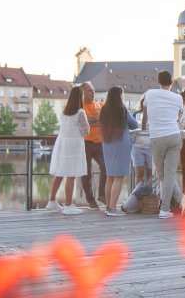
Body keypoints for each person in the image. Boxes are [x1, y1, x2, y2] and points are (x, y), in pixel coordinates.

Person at [142, 70, 185, 219]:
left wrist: (143, 128)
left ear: (158, 81)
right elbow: (180, 116)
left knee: (163, 174)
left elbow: (145, 113)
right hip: (174, 136)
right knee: (168, 174)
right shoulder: (178, 97)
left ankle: (165, 208)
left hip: (157, 138)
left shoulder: (150, 94)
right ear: (171, 83)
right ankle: (180, 200)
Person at [49, 84, 90, 214]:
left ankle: (51, 201)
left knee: (60, 173)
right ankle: (68, 205)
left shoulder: (65, 112)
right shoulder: (80, 112)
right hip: (73, 146)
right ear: (80, 97)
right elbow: (86, 131)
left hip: (62, 145)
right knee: (71, 175)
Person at [97, 86, 137, 216]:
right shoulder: (122, 110)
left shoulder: (104, 109)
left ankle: (108, 206)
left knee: (110, 176)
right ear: (120, 96)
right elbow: (134, 124)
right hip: (121, 145)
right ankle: (113, 209)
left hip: (107, 145)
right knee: (119, 177)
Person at [79, 89, 104, 207]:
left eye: (93, 91)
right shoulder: (80, 106)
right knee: (86, 172)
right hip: (85, 143)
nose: (93, 93)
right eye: (89, 91)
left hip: (100, 143)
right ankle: (90, 199)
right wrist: (96, 119)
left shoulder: (99, 104)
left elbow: (105, 119)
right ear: (83, 93)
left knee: (106, 167)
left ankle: (102, 194)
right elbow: (84, 122)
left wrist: (95, 120)